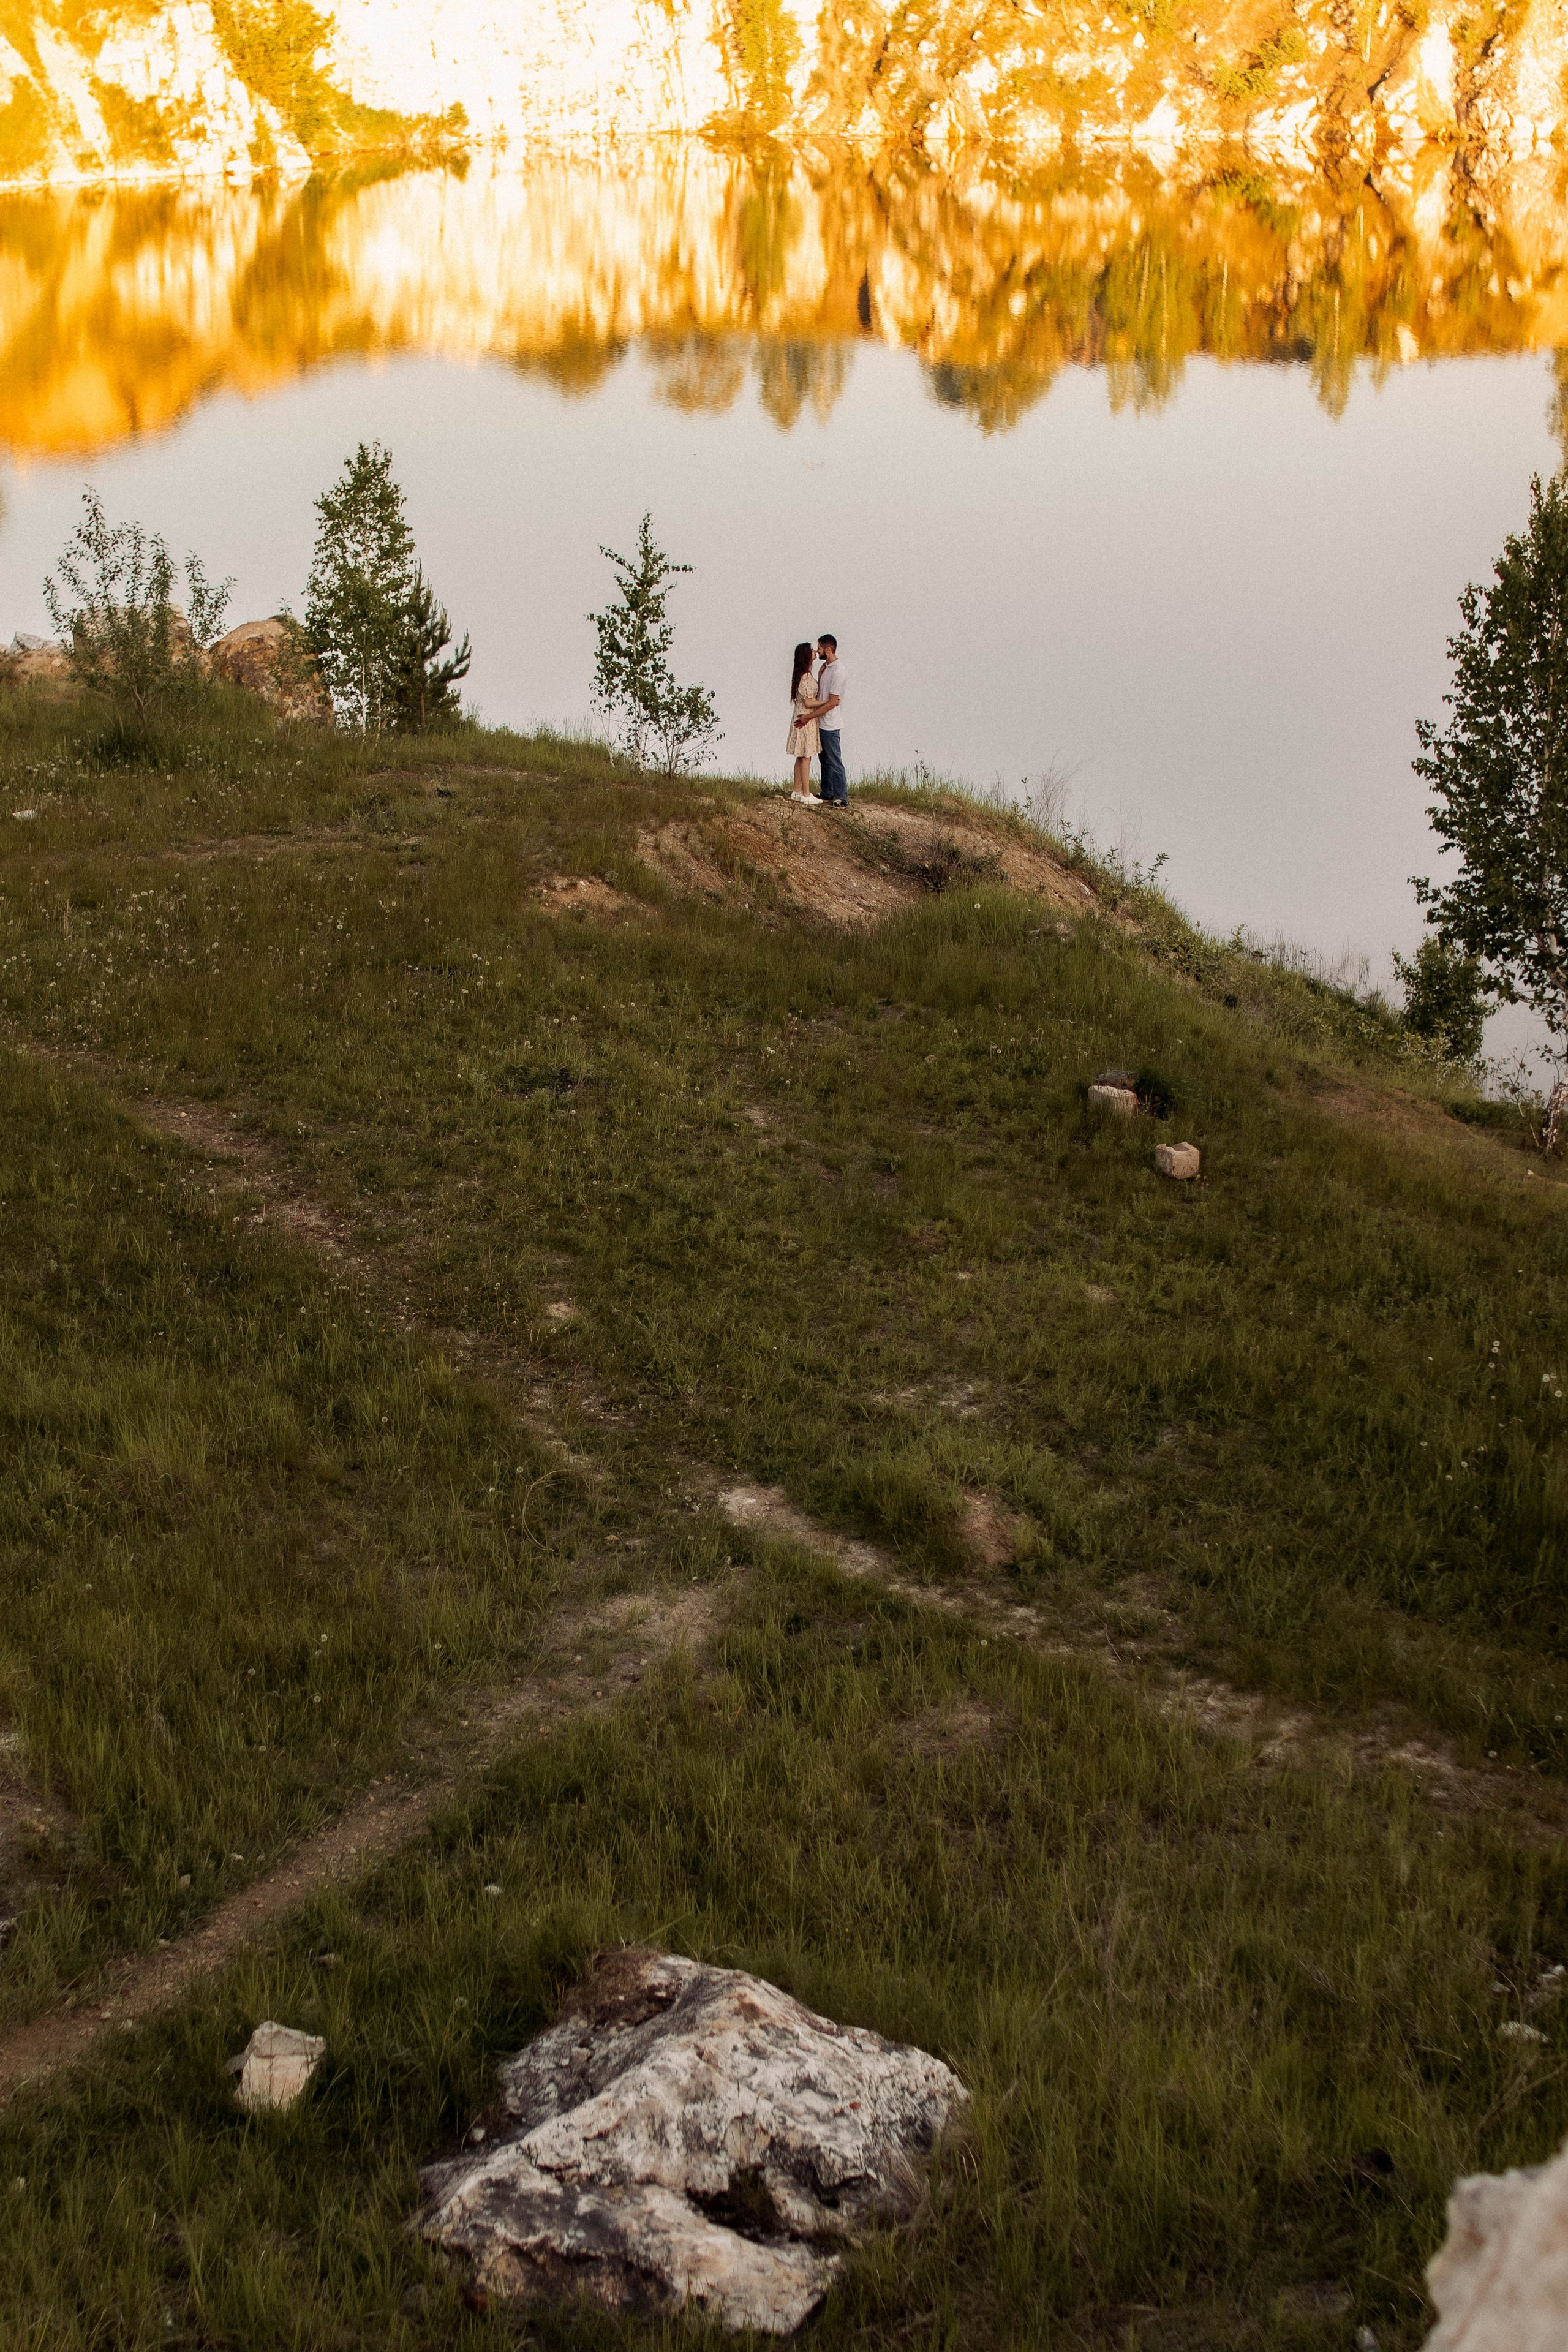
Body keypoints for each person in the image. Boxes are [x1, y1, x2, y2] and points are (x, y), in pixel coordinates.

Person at [786, 641, 821, 803]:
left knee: (801, 756)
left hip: (801, 717)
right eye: (812, 651)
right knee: (806, 756)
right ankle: (806, 794)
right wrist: (827, 702)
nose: (815, 652)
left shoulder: (803, 675)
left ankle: (797, 790)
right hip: (805, 718)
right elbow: (808, 702)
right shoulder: (805, 678)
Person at [813, 633, 846, 806]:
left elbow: (833, 701)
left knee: (834, 760)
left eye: (819, 648)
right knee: (824, 759)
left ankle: (842, 797)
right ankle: (827, 791)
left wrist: (811, 716)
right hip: (822, 722)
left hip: (831, 724)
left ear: (828, 649)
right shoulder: (826, 669)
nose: (817, 651)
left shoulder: (839, 671)